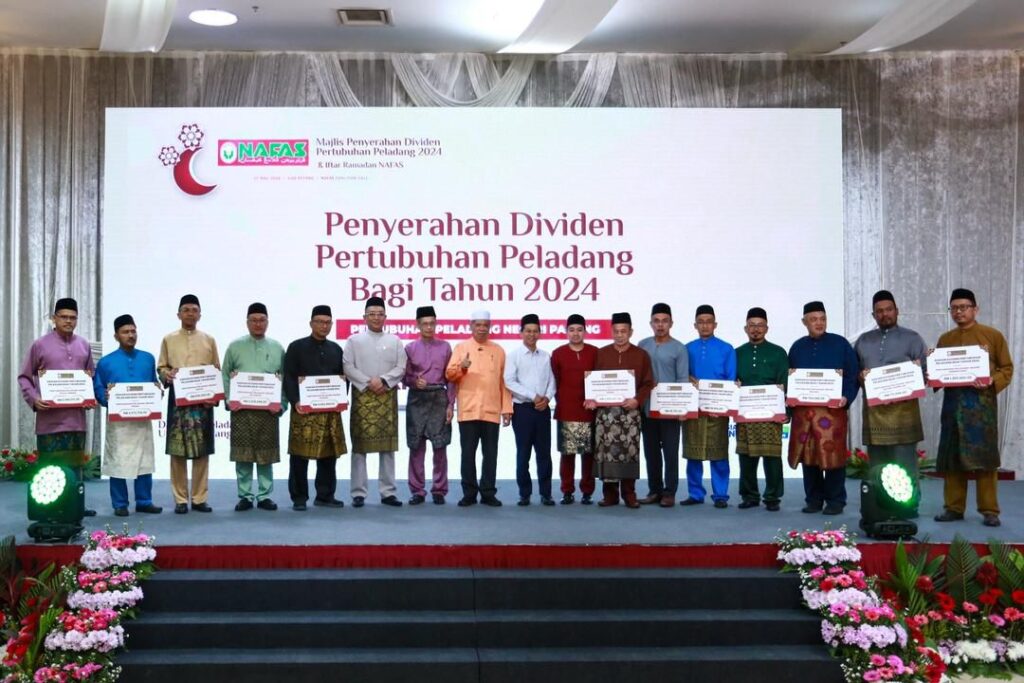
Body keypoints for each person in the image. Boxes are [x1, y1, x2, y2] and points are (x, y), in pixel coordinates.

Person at [933, 288, 1014, 527]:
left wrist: (991, 381)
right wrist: (933, 376)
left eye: (964, 307)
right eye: (954, 308)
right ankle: (953, 508)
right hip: (953, 406)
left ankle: (990, 510)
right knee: (953, 458)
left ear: (975, 309)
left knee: (985, 459)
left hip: (981, 408)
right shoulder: (945, 339)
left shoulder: (992, 336)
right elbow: (939, 373)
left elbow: (1006, 368)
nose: (959, 312)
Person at [18, 298, 97, 516]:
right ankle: (49, 508)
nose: (68, 321)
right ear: (54, 318)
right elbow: (24, 377)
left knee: (75, 466)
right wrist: (34, 398)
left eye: (73, 318)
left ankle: (76, 505)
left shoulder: (83, 345)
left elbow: (90, 376)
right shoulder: (40, 345)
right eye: (64, 317)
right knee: (49, 467)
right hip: (49, 421)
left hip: (76, 420)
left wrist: (89, 397)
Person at [853, 290, 927, 516]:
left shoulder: (913, 338)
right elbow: (855, 373)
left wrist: (912, 377)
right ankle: (881, 505)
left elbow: (925, 373)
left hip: (904, 413)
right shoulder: (863, 341)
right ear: (873, 315)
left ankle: (909, 506)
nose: (884, 314)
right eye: (879, 311)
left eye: (888, 310)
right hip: (875, 414)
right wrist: (860, 376)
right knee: (878, 464)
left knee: (905, 461)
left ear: (897, 311)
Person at [788, 301, 860, 515]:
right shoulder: (797, 347)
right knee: (808, 456)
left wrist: (846, 397)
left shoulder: (840, 344)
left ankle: (836, 501)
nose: (819, 323)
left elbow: (853, 374)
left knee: (833, 457)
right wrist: (789, 404)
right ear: (804, 322)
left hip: (832, 413)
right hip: (804, 414)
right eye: (813, 319)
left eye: (822, 319)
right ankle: (813, 500)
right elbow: (790, 378)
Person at [93, 314, 163, 517]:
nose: (131, 335)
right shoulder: (106, 362)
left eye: (133, 331)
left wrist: (157, 391)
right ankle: (120, 503)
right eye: (125, 332)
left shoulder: (148, 358)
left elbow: (153, 382)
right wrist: (106, 398)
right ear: (116, 336)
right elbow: (98, 388)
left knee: (144, 459)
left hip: (142, 420)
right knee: (118, 461)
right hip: (119, 422)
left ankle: (144, 501)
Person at [158, 294, 220, 514]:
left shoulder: (209, 340)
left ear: (200, 315)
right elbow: (161, 367)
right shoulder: (168, 339)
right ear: (178, 314)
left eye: (194, 310)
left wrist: (214, 396)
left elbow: (216, 370)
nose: (190, 314)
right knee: (178, 452)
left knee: (202, 452)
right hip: (179, 402)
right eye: (186, 310)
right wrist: (167, 374)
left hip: (203, 404)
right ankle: (181, 499)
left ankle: (200, 498)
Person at [585, 312, 655, 508]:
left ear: (630, 332)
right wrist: (592, 399)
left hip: (630, 413)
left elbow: (648, 383)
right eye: (616, 331)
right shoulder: (602, 353)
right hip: (606, 415)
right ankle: (610, 495)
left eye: (624, 331)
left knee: (629, 453)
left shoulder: (641, 355)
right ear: (611, 331)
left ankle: (629, 494)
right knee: (606, 453)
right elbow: (593, 382)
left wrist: (637, 400)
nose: (620, 335)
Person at [222, 302, 286, 512]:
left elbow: (284, 379)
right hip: (242, 411)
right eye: (254, 320)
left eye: (262, 320)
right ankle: (245, 496)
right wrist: (229, 400)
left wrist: (282, 404)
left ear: (267, 322)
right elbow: (225, 375)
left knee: (266, 455)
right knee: (243, 455)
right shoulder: (235, 346)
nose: (258, 324)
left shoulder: (277, 347)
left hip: (268, 412)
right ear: (247, 322)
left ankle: (265, 495)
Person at [344, 296, 407, 508]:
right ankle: (358, 492)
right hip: (362, 395)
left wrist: (384, 380)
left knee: (387, 446)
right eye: (372, 314)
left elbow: (401, 367)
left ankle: (388, 492)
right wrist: (368, 382)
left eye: (380, 314)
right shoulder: (354, 340)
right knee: (359, 447)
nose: (376, 318)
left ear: (385, 317)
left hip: (386, 395)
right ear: (364, 317)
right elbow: (348, 367)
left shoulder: (395, 341)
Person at [283, 305, 347, 511]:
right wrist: (295, 401)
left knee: (329, 454)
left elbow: (343, 378)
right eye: (319, 322)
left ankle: (325, 495)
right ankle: (299, 497)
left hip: (329, 411)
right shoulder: (296, 347)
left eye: (327, 322)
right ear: (311, 323)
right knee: (299, 456)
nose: (323, 326)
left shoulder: (336, 349)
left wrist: (340, 399)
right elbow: (289, 377)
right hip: (303, 410)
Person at [446, 310, 512, 507]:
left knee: (490, 454)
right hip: (468, 410)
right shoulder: (461, 348)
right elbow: (449, 375)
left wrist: (507, 409)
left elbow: (504, 382)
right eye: (478, 325)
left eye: (485, 325)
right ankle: (469, 493)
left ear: (490, 326)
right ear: (471, 326)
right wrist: (462, 367)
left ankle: (488, 492)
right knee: (468, 454)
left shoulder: (498, 350)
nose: (482, 328)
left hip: (491, 410)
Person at [734, 307, 788, 512]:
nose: (756, 329)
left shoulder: (778, 352)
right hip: (745, 412)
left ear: (767, 328)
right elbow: (731, 379)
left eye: (760, 325)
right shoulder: (738, 353)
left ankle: (773, 497)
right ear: (745, 328)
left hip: (771, 414)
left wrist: (786, 412)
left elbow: (785, 382)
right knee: (746, 457)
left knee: (772, 457)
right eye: (752, 325)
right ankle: (749, 495)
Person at [682, 304, 736, 508]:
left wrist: (723, 404)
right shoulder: (687, 348)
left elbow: (731, 380)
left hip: (718, 410)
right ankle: (695, 494)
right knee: (692, 454)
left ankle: (720, 495)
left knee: (719, 454)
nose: (705, 326)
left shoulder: (727, 349)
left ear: (715, 324)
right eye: (701, 322)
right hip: (694, 409)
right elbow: (682, 375)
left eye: (708, 322)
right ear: (695, 325)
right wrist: (688, 378)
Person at [637, 303, 688, 507]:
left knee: (670, 453)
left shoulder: (679, 348)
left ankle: (669, 492)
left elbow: (682, 379)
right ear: (651, 323)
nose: (660, 325)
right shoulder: (642, 345)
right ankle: (654, 491)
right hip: (647, 408)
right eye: (656, 321)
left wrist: (682, 408)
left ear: (671, 323)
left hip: (670, 410)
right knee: (651, 453)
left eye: (664, 321)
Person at [403, 306, 455, 505]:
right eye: (425, 324)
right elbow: (404, 377)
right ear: (417, 325)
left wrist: (450, 404)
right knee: (416, 447)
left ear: (436, 324)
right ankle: (417, 490)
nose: (429, 327)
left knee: (440, 447)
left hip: (439, 397)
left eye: (432, 323)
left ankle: (439, 490)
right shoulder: (409, 348)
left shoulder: (445, 347)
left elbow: (451, 378)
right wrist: (414, 381)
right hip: (417, 398)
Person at [504, 313, 557, 506]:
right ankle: (524, 493)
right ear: (521, 333)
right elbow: (509, 381)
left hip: (543, 410)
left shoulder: (545, 356)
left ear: (540, 333)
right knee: (523, 453)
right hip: (523, 410)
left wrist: (547, 398)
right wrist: (533, 396)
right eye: (528, 331)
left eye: (535, 331)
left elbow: (552, 381)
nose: (532, 335)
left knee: (544, 454)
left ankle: (546, 493)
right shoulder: (514, 356)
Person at [550, 314, 598, 505]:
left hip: (589, 410)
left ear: (585, 331)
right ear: (566, 332)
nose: (575, 333)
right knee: (567, 454)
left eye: (579, 330)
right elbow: (554, 381)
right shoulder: (558, 353)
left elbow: (599, 380)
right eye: (572, 330)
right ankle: (567, 491)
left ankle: (587, 491)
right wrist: (561, 401)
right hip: (567, 410)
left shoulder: (595, 352)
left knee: (589, 454)